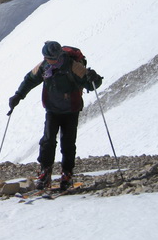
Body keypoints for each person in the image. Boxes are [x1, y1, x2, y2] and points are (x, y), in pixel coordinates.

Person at [8, 41, 103, 190]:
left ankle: (66, 174)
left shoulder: (73, 66)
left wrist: (94, 78)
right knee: (47, 141)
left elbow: (92, 84)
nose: (51, 61)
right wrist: (18, 95)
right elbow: (30, 79)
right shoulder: (44, 66)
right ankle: (46, 173)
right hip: (53, 109)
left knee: (67, 143)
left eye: (52, 58)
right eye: (48, 58)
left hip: (71, 110)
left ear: (59, 55)